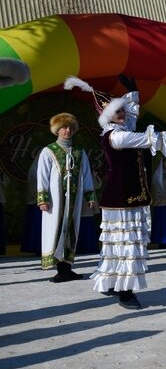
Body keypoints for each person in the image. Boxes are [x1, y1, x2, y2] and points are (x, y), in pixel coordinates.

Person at [64, 75, 166, 309]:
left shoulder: (119, 129)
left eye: (122, 110)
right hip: (122, 196)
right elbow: (145, 139)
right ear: (108, 116)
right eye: (117, 111)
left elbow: (130, 117)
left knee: (117, 242)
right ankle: (125, 291)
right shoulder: (118, 136)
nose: (122, 114)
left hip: (123, 194)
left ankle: (111, 283)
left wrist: (132, 94)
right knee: (127, 242)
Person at [36, 113, 97, 282]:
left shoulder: (79, 152)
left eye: (70, 127)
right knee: (56, 229)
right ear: (57, 130)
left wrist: (90, 195)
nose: (67, 130)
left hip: (74, 199)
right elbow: (42, 175)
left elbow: (86, 174)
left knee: (71, 228)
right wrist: (43, 199)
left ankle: (67, 268)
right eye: (64, 127)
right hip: (56, 200)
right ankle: (59, 269)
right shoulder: (48, 151)